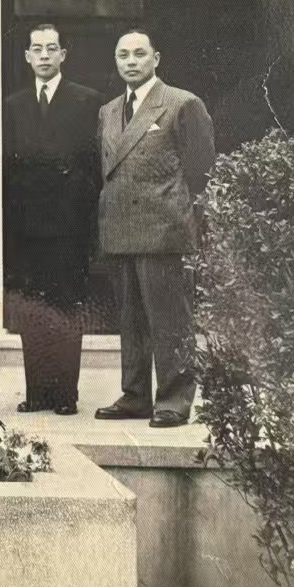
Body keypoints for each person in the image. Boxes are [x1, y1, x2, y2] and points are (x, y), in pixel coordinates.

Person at [95, 28, 215, 430]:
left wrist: (187, 221)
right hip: (121, 227)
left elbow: (201, 170)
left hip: (164, 228)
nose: (131, 62)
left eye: (139, 54)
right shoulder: (109, 111)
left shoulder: (181, 104)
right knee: (130, 320)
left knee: (169, 320)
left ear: (156, 59)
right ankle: (135, 395)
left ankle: (174, 399)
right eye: (123, 55)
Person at [5, 24, 104, 416]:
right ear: (27, 56)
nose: (44, 55)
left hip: (68, 223)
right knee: (32, 308)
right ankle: (37, 392)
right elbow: (10, 169)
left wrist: (80, 211)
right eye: (36, 49)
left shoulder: (87, 100)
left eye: (51, 48)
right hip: (27, 226)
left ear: (63, 54)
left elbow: (93, 164)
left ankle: (65, 393)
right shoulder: (14, 105)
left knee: (65, 305)